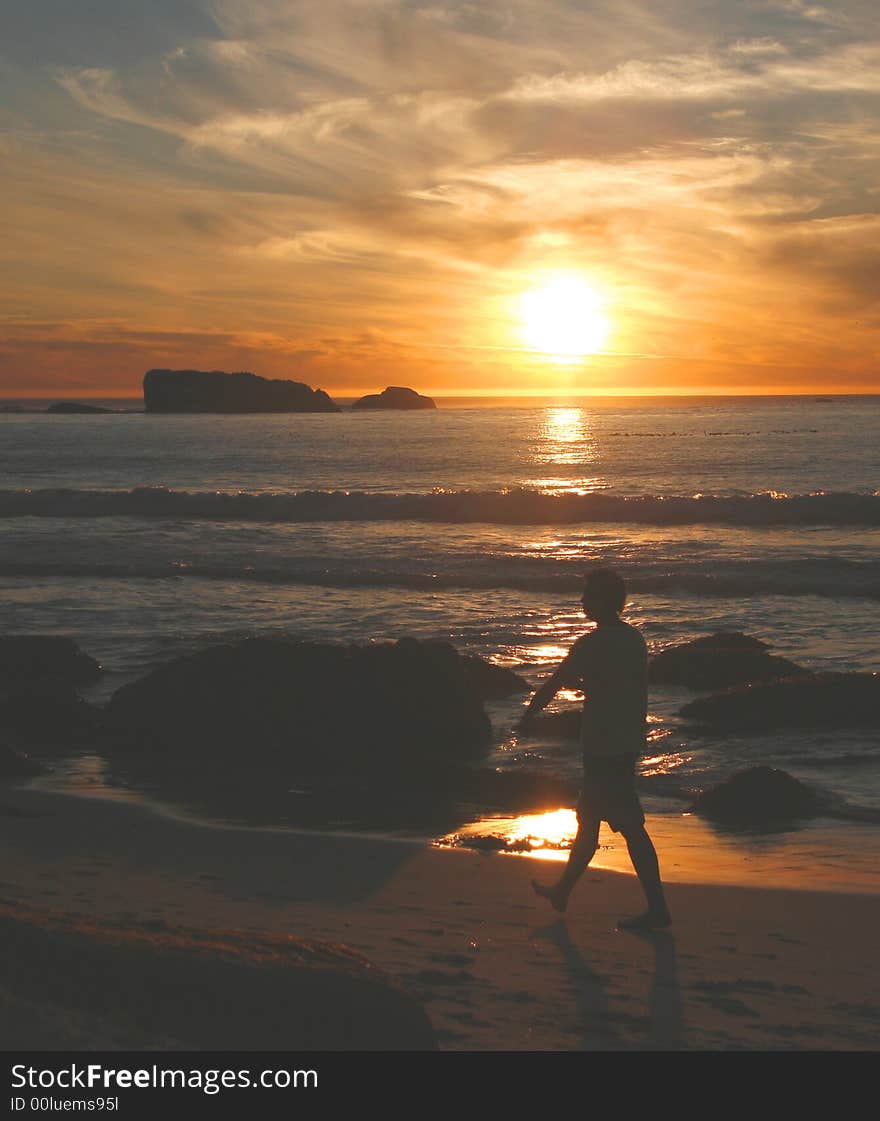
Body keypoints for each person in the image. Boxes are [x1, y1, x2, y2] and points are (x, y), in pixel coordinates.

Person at [519, 567, 671, 931]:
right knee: (589, 820)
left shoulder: (591, 644)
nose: (582, 601)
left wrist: (526, 719)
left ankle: (658, 910)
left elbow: (555, 683)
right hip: (627, 741)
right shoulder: (634, 640)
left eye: (588, 595)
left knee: (629, 827)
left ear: (604, 601)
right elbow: (621, 688)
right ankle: (562, 891)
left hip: (603, 747)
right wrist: (589, 686)